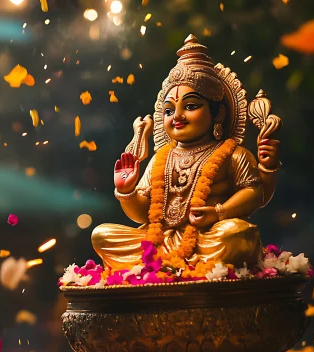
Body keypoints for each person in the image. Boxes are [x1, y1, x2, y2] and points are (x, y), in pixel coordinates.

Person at [92, 35, 282, 271]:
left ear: (219, 114)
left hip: (210, 238)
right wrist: (126, 191)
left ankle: (185, 265)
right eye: (169, 110)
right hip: (159, 241)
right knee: (101, 235)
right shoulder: (161, 158)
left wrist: (218, 212)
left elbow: (254, 193)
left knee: (239, 234)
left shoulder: (234, 153)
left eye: (190, 106)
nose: (177, 116)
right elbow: (143, 214)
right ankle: (163, 264)